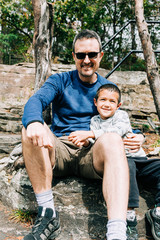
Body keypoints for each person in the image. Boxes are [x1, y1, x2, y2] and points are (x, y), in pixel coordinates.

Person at [21, 29, 144, 240]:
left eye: (92, 55)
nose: (86, 60)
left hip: (92, 153)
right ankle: (47, 212)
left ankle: (116, 232)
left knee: (113, 139)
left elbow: (120, 121)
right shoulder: (60, 80)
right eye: (80, 55)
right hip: (59, 148)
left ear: (100, 56)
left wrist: (139, 135)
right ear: (74, 57)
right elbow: (36, 101)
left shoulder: (108, 87)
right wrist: (33, 122)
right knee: (30, 127)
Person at [69, 83, 160, 240]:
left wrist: (90, 134)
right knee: (127, 167)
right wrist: (85, 142)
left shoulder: (121, 116)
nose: (107, 104)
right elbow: (96, 145)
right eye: (103, 99)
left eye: (112, 101)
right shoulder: (94, 121)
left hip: (139, 158)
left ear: (118, 105)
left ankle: (157, 212)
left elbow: (117, 131)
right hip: (122, 163)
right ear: (95, 102)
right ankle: (128, 215)